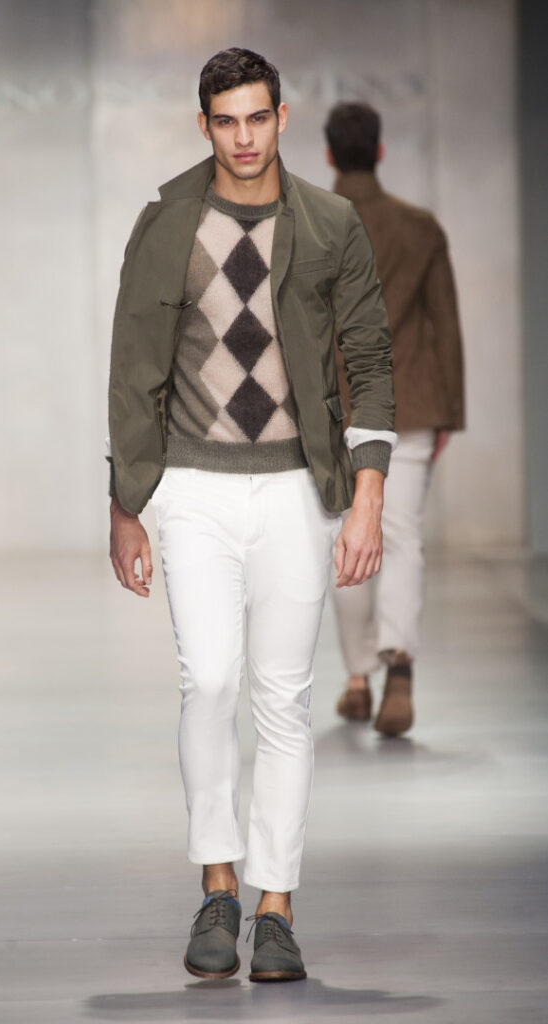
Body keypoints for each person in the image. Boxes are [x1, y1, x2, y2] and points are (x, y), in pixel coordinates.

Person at [107, 49, 395, 983]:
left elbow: (369, 354)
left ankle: (275, 905)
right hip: (191, 487)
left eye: (256, 118)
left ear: (280, 117)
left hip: (294, 489)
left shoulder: (329, 224)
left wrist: (367, 494)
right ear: (204, 125)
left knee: (282, 698)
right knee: (210, 681)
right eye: (225, 121)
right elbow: (132, 371)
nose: (242, 137)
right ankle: (217, 884)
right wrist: (124, 503)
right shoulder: (165, 223)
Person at [324, 102, 465, 736]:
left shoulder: (311, 222)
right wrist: (448, 413)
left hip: (334, 409)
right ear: (380, 151)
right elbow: (444, 326)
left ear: (330, 154)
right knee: (402, 536)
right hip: (411, 404)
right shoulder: (420, 227)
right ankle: (398, 671)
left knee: (346, 539)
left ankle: (358, 680)